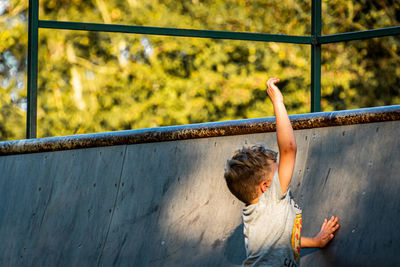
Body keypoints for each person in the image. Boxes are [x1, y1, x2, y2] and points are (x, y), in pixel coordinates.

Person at [224, 78, 340, 267]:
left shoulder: (256, 214)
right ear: (266, 186)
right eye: (277, 171)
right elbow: (289, 149)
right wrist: (278, 102)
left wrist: (316, 241)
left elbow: (281, 240)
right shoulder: (272, 197)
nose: (283, 173)